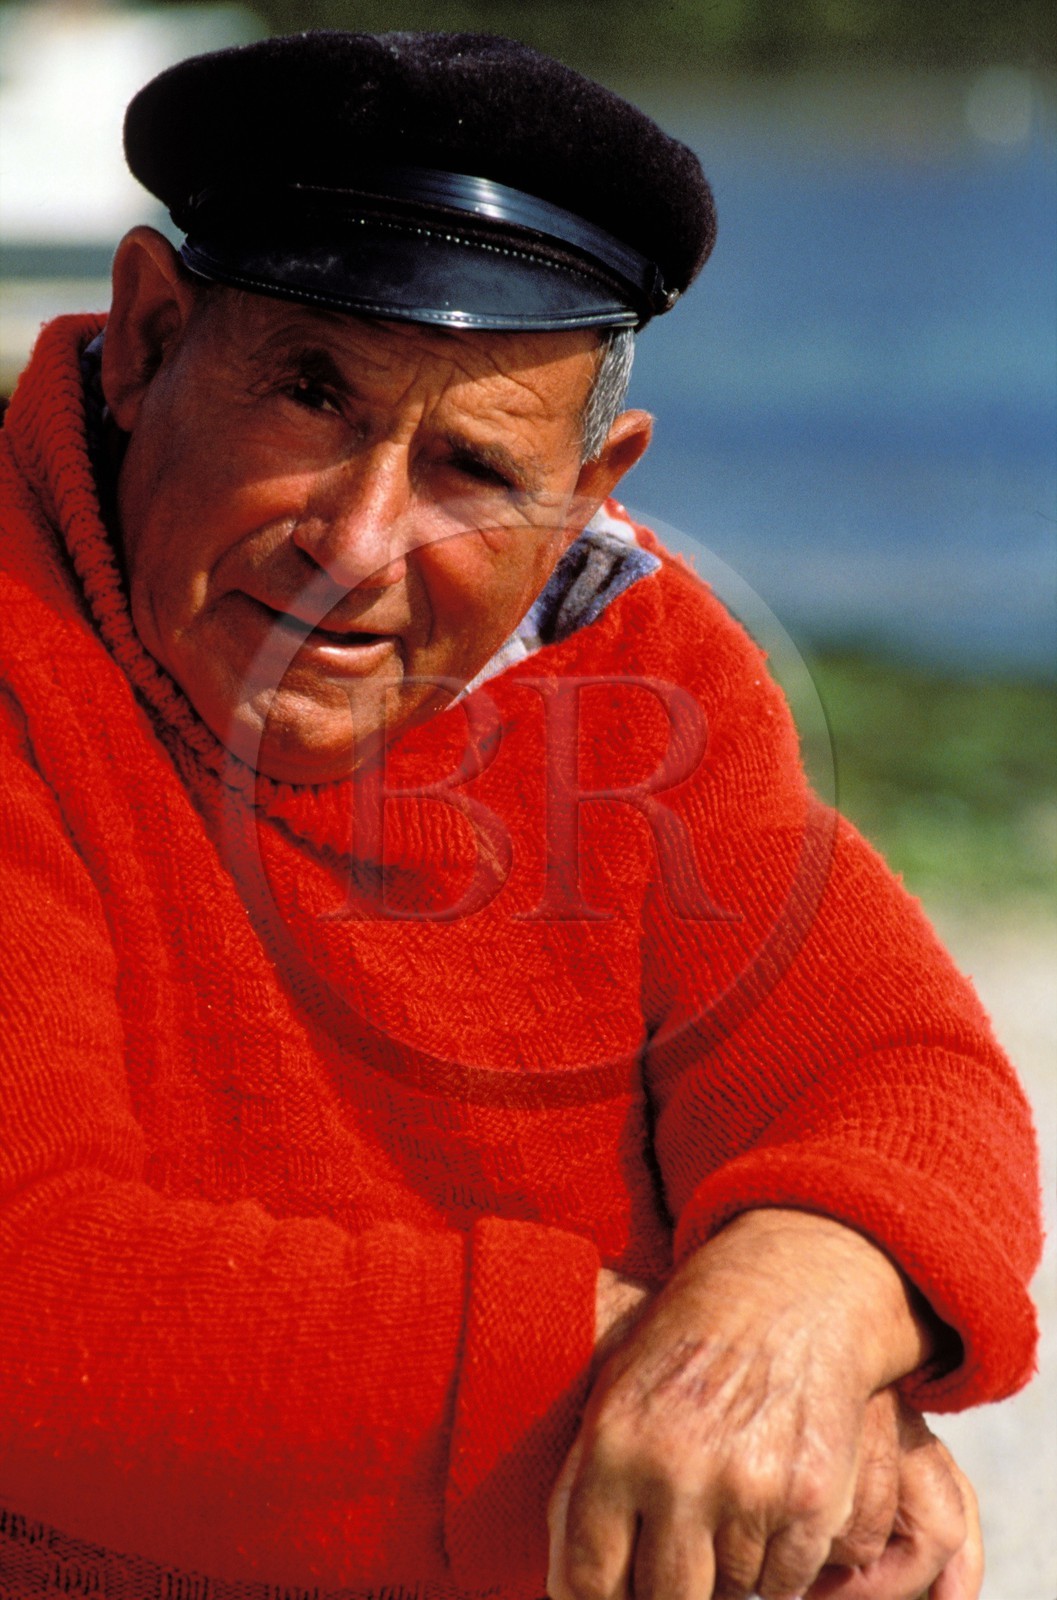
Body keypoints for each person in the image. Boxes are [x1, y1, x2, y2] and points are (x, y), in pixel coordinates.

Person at [0, 29, 1041, 1600]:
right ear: (149, 341)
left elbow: (889, 1068)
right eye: (308, 392)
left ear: (588, 487)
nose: (356, 542)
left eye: (473, 467)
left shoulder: (642, 670)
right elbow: (38, 1303)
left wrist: (812, 1302)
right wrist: (724, 1423)